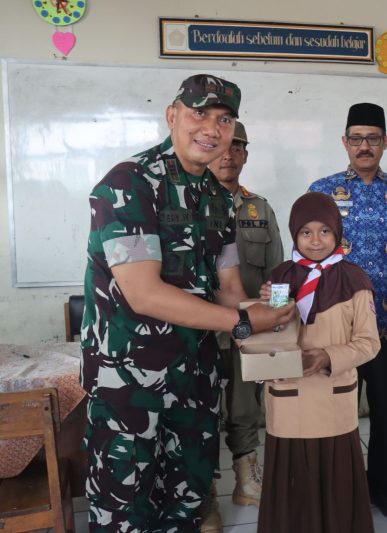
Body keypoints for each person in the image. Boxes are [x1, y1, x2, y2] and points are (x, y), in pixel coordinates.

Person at [80, 74, 295, 531]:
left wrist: (267, 319)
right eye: (200, 113)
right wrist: (240, 322)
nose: (212, 129)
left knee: (188, 502)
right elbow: (144, 293)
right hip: (130, 387)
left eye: (224, 119)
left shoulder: (218, 197)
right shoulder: (129, 184)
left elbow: (229, 285)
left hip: (196, 380)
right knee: (126, 511)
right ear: (172, 115)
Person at [308, 102, 387, 520]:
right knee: (336, 412)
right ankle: (337, 487)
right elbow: (304, 255)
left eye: (372, 139)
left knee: (385, 413)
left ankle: (382, 487)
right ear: (344, 142)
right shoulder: (321, 191)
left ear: (385, 142)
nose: (364, 146)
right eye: (356, 138)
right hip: (334, 328)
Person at [257, 192, 380, 533]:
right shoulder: (279, 277)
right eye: (306, 232)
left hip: (332, 396)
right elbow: (268, 334)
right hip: (289, 399)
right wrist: (264, 307)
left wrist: (328, 356)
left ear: (338, 233)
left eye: (324, 231)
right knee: (292, 480)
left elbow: (370, 343)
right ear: (294, 234)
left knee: (334, 480)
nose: (315, 240)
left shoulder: (355, 280)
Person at [201, 122, 284, 528]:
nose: (228, 155)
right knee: (199, 410)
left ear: (246, 155)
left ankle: (245, 479)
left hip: (247, 329)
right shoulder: (190, 203)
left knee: (244, 405)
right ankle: (203, 494)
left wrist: (277, 324)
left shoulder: (259, 209)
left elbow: (280, 276)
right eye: (222, 147)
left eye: (238, 147)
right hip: (197, 329)